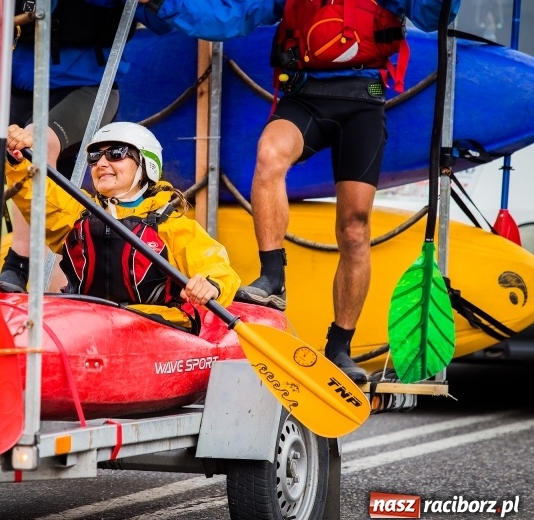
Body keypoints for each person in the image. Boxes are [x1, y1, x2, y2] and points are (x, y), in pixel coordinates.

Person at [141, 0, 461, 382]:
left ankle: (340, 347)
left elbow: (433, 15)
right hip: (304, 99)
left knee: (355, 229)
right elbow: (231, 16)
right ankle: (271, 280)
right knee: (269, 157)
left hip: (363, 102)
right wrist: (161, 4)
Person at [0, 0, 171, 293]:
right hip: (17, 85)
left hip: (87, 88)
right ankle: (59, 288)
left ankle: (18, 263)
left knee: (33, 145)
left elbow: (166, 19)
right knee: (46, 197)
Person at [5, 121, 241, 331]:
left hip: (154, 327)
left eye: (116, 154)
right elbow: (36, 193)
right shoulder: (77, 215)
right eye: (95, 157)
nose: (102, 163)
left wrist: (211, 285)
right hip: (88, 323)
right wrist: (16, 160)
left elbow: (216, 267)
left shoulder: (170, 225)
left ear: (145, 164)